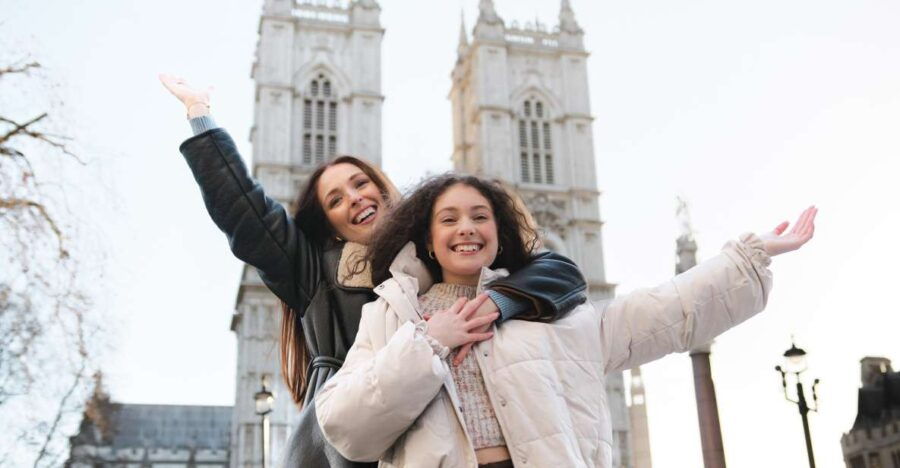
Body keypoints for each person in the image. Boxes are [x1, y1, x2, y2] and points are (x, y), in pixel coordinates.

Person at [159, 75, 590, 468]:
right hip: (353, 449)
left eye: (360, 183)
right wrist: (201, 117)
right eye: (335, 200)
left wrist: (496, 303)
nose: (354, 198)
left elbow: (558, 272)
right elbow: (247, 215)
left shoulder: (444, 249)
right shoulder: (315, 273)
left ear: (381, 186)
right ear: (328, 224)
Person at [315, 174, 818, 468]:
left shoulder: (554, 315)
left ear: (499, 231)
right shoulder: (392, 316)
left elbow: (666, 309)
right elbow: (346, 424)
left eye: (480, 216)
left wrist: (749, 257)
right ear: (427, 239)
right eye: (449, 219)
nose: (466, 228)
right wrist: (428, 343)